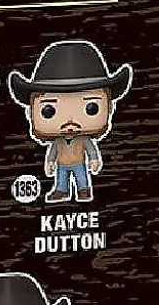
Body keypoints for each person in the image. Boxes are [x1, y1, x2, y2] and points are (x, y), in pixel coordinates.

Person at [8, 40, 132, 205]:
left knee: (81, 178)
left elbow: (91, 149)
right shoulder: (57, 141)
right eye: (49, 111)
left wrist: (94, 159)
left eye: (91, 108)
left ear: (109, 107)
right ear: (31, 112)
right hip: (62, 164)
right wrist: (49, 162)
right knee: (61, 179)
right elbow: (52, 152)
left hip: (79, 163)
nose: (70, 122)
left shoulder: (84, 139)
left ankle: (83, 190)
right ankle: (61, 190)